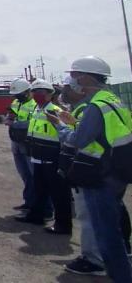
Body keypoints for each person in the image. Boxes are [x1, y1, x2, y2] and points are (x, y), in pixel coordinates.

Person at [52, 57, 132, 282]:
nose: (73, 80)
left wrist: (62, 128)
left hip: (100, 173)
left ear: (86, 77)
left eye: (75, 75)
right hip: (117, 170)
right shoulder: (113, 100)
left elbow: (79, 139)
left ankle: (121, 276)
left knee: (106, 234)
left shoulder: (96, 105)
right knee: (112, 227)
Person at [15, 79, 72, 235]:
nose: (38, 95)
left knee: (58, 192)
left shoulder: (55, 111)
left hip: (52, 156)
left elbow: (67, 133)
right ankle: (36, 216)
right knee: (40, 188)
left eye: (42, 92)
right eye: (35, 92)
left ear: (50, 94)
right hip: (38, 156)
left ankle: (63, 225)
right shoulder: (37, 110)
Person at [5, 78, 37, 211]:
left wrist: (14, 123)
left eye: (19, 94)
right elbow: (12, 115)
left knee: (35, 175)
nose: (17, 97)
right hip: (16, 143)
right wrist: (9, 117)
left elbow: (33, 123)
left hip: (29, 144)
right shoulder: (16, 102)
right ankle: (28, 202)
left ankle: (40, 206)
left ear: (28, 92)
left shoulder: (35, 105)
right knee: (25, 175)